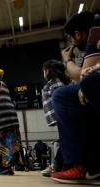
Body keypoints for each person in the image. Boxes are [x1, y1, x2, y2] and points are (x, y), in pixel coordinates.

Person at [50, 13, 100, 184]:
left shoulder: (96, 32)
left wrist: (67, 60)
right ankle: (81, 163)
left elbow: (82, 75)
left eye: (72, 38)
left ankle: (77, 164)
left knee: (61, 96)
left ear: (78, 34)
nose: (72, 42)